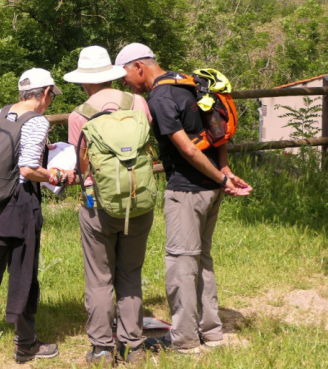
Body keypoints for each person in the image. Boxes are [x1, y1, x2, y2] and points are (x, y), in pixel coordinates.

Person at [115, 43, 252, 353]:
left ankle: (186, 342)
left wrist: (222, 177)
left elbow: (187, 149)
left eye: (125, 76)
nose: (125, 83)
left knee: (180, 264)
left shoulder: (160, 97)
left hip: (187, 191)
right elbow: (216, 130)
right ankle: (212, 331)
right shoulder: (189, 82)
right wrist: (224, 171)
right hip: (211, 190)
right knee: (201, 259)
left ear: (139, 67)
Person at [0, 68, 71, 363]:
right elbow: (27, 169)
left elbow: (10, 153)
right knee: (23, 270)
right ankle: (26, 343)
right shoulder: (37, 120)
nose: (51, 101)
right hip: (19, 202)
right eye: (52, 94)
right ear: (45, 93)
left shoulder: (5, 112)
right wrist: (57, 175)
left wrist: (42, 151)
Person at [64, 46, 156, 365]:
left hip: (98, 204)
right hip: (138, 197)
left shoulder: (80, 115)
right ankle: (135, 348)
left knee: (99, 277)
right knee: (130, 273)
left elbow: (81, 166)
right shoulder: (138, 103)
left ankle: (103, 349)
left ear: (84, 81)